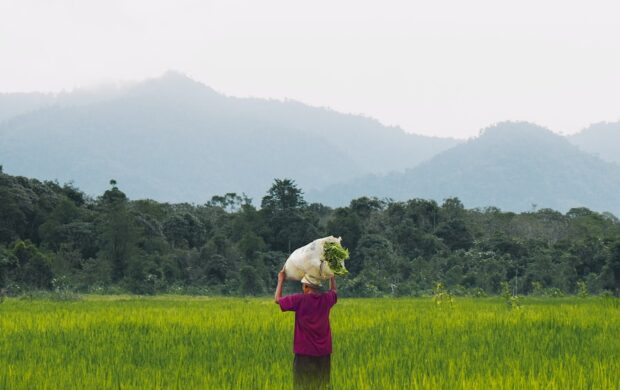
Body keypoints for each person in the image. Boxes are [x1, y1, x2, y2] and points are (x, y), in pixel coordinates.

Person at [274, 267, 337, 389]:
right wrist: (331, 276)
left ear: (307, 287)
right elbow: (334, 290)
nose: (302, 288)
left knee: (302, 386)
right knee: (322, 386)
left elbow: (277, 300)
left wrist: (280, 280)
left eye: (303, 286)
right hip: (324, 353)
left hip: (304, 353)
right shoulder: (326, 299)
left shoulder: (299, 300)